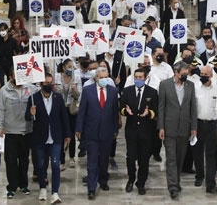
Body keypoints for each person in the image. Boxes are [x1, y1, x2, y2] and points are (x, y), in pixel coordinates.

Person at [25, 73, 71, 203]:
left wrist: (67, 134)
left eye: (51, 82)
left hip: (56, 137)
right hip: (39, 138)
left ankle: (55, 192)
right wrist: (31, 113)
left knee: (56, 165)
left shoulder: (58, 98)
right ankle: (43, 188)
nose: (49, 85)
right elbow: (27, 118)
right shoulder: (33, 98)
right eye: (46, 83)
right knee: (40, 164)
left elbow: (64, 117)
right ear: (41, 84)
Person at [75, 67, 119, 200]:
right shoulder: (87, 91)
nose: (103, 79)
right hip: (91, 132)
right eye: (101, 77)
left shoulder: (112, 91)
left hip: (107, 132)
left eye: (106, 77)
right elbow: (82, 111)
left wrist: (115, 129)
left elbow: (114, 112)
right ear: (95, 78)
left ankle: (103, 180)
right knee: (92, 161)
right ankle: (91, 188)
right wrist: (79, 129)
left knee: (104, 160)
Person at [158, 61, 198, 199]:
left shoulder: (190, 85)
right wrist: (161, 126)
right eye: (183, 73)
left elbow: (193, 107)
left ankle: (177, 181)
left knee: (180, 157)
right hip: (169, 128)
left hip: (184, 128)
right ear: (176, 72)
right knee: (171, 159)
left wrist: (194, 128)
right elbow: (161, 107)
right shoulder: (164, 85)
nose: (186, 76)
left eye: (187, 73)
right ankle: (173, 187)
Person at [0, 67, 37, 198]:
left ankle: (24, 185)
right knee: (11, 161)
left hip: (26, 131)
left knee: (24, 160)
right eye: (16, 75)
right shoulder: (4, 91)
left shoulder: (31, 89)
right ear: (10, 76)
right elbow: (0, 109)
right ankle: (12, 186)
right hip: (10, 131)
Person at [120, 68, 158, 195]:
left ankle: (141, 183)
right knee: (130, 157)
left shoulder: (152, 92)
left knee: (144, 159)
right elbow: (121, 108)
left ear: (145, 78)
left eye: (140, 77)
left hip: (146, 131)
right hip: (131, 130)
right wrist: (126, 112)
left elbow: (156, 111)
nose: (138, 79)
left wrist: (149, 114)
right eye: (136, 77)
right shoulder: (127, 91)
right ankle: (131, 179)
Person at [191, 65, 217, 194]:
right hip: (198, 123)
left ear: (211, 75)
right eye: (201, 73)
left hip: (212, 124)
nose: (203, 76)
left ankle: (210, 182)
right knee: (197, 151)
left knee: (211, 154)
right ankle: (199, 176)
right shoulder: (195, 87)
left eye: (205, 74)